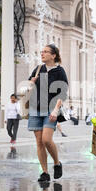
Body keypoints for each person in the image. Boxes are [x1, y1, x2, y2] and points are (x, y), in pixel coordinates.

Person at [27, 43, 68, 183]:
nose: (42, 54)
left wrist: (56, 110)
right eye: (41, 52)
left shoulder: (59, 71)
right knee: (39, 142)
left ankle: (57, 163)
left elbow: (62, 93)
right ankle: (44, 172)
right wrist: (31, 83)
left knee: (46, 139)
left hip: (51, 108)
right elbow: (28, 89)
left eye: (45, 52)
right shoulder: (38, 69)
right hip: (35, 108)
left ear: (53, 55)